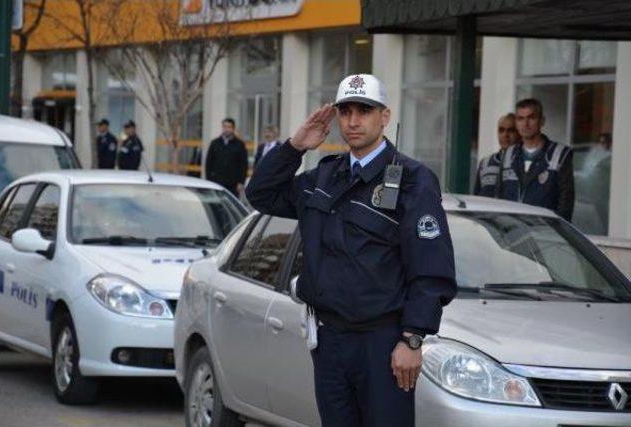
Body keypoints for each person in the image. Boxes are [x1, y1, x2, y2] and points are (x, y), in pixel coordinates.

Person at [246, 74, 457, 427]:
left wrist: (413, 338)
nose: (354, 121)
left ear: (384, 116)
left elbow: (431, 269)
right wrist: (295, 147)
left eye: (364, 110)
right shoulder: (325, 176)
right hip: (330, 340)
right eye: (345, 112)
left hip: (383, 344)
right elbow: (261, 195)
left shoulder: (413, 180)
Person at [496, 98, 574, 221]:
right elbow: (498, 198)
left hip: (543, 234)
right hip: (511, 233)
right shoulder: (508, 155)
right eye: (520, 119)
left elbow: (566, 204)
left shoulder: (559, 154)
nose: (525, 124)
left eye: (531, 118)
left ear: (542, 121)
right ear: (516, 123)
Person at [473, 113, 518, 197]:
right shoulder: (485, 164)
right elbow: (477, 196)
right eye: (501, 130)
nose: (505, 135)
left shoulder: (521, 163)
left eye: (511, 130)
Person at [205, 118, 248, 197]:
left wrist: (241, 182)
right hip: (216, 182)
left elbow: (243, 165)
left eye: (229, 127)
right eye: (224, 127)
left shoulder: (240, 144)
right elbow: (208, 163)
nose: (226, 129)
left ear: (233, 129)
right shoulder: (215, 143)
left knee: (232, 207)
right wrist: (209, 180)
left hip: (233, 184)